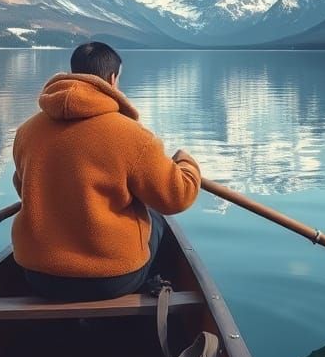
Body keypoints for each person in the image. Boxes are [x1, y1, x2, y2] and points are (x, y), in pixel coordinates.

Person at [11, 41, 201, 301]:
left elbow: (22, 189)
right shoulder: (133, 136)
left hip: (38, 276)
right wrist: (185, 163)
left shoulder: (26, 132)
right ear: (112, 79)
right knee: (158, 219)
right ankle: (153, 299)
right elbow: (176, 196)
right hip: (113, 279)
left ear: (73, 72)